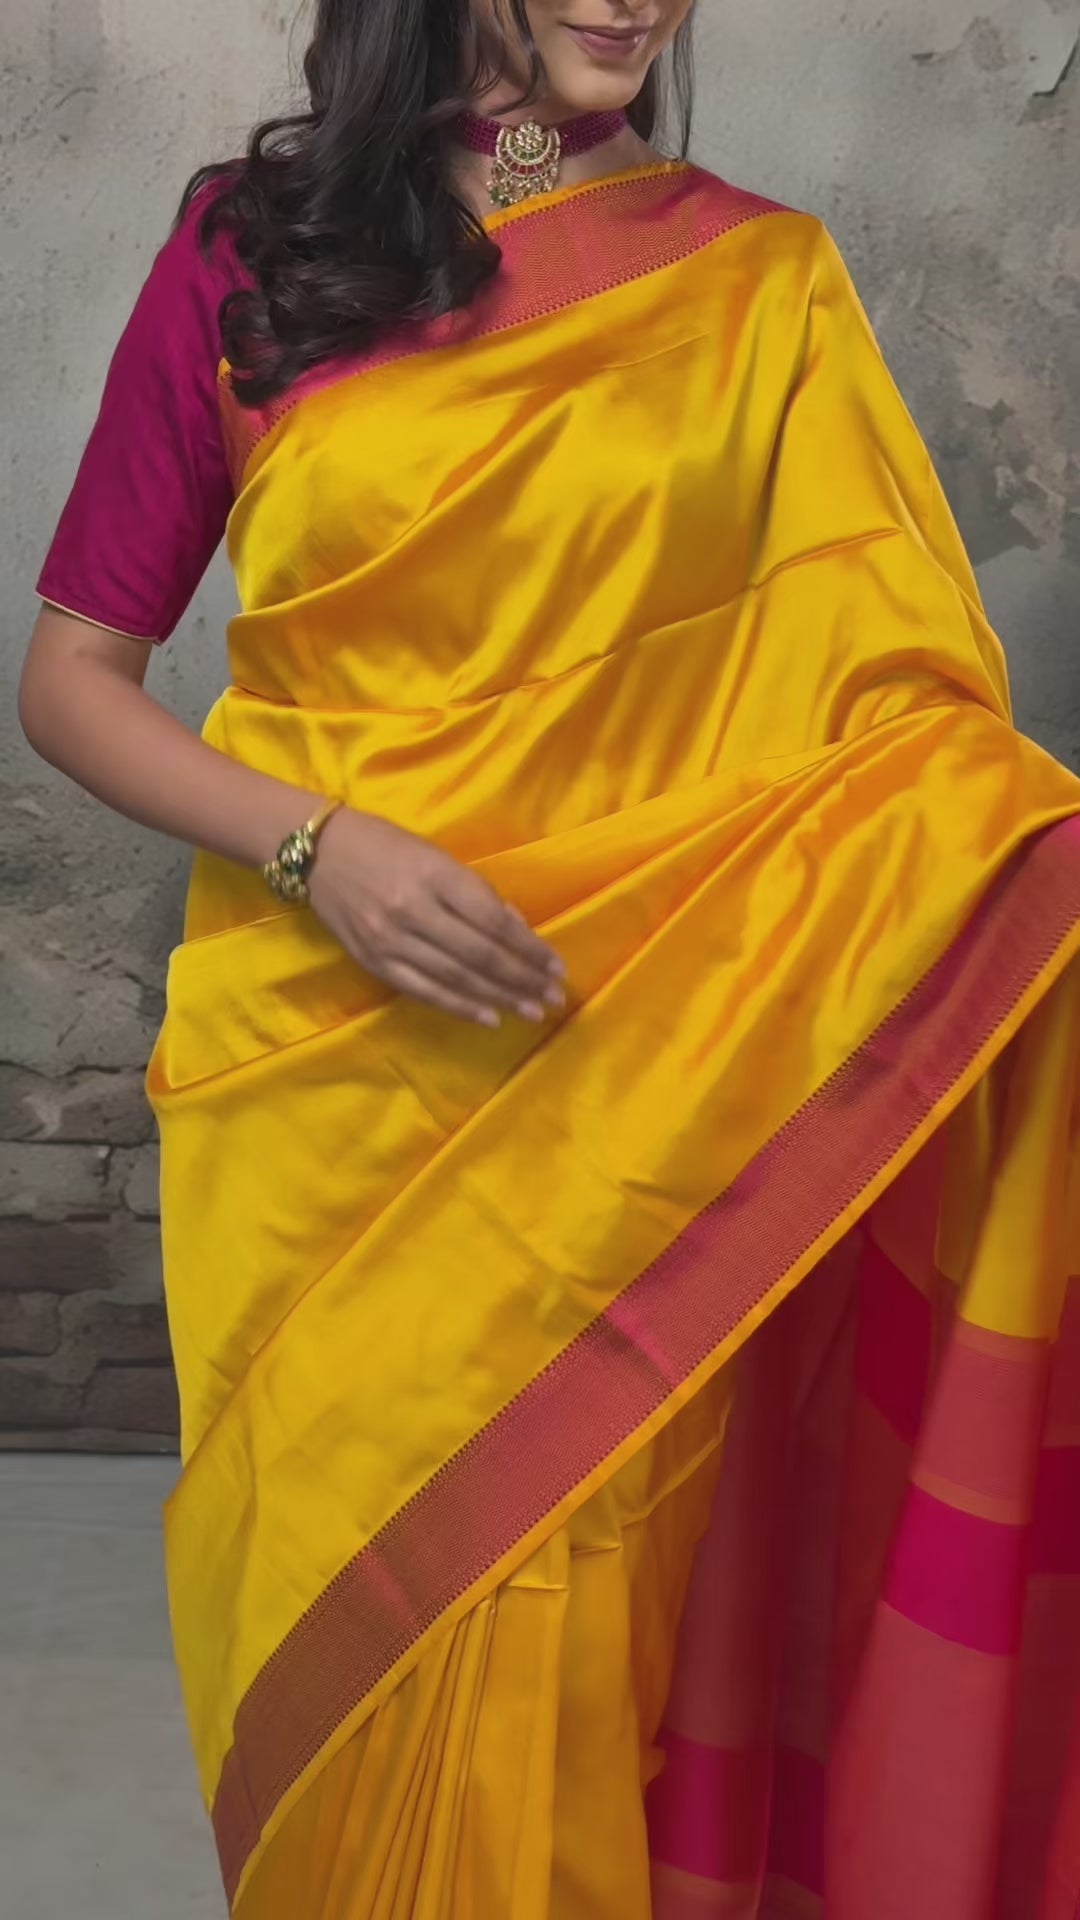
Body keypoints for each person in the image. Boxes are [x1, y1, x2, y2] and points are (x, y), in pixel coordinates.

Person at [19, 2, 1080, 1914]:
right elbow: (73, 682)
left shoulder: (758, 286)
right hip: (323, 1100)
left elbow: (898, 719)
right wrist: (321, 850)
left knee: (584, 1650)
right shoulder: (253, 255)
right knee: (349, 1672)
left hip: (632, 1093)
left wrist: (1025, 865)